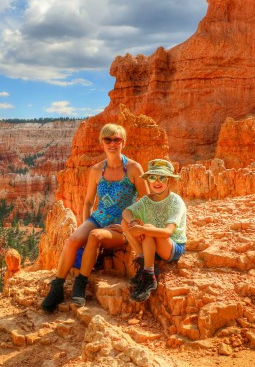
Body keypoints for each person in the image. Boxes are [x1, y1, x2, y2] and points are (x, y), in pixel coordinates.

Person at [41, 124, 149, 312]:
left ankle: (80, 284)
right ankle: (57, 286)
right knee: (74, 239)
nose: (112, 143)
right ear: (102, 142)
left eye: (117, 139)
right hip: (98, 218)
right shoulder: (97, 170)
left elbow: (146, 202)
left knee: (95, 236)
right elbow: (89, 201)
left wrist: (131, 224)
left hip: (120, 225)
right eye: (108, 139)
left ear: (124, 142)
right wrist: (85, 223)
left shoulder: (133, 168)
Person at [120, 159, 187, 302]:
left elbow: (168, 232)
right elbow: (126, 212)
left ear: (170, 181)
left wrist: (143, 229)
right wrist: (132, 223)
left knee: (149, 228)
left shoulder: (176, 202)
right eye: (152, 177)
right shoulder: (146, 200)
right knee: (124, 223)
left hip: (172, 247)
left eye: (162, 177)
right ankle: (144, 261)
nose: (157, 181)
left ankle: (149, 277)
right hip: (154, 244)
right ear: (148, 180)